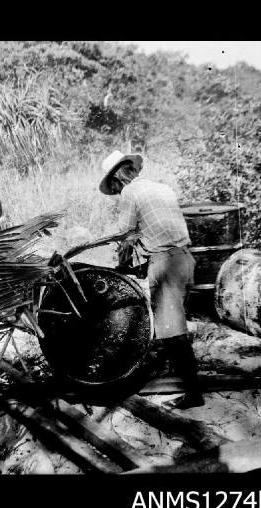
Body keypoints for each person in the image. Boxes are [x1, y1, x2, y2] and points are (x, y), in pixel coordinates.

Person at [99, 150, 204, 409]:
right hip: (185, 259)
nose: (114, 193)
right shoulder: (161, 188)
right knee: (173, 326)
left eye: (113, 189)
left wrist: (121, 265)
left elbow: (125, 236)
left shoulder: (129, 194)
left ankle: (193, 394)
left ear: (116, 180)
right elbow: (153, 230)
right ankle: (178, 377)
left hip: (166, 262)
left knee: (173, 333)